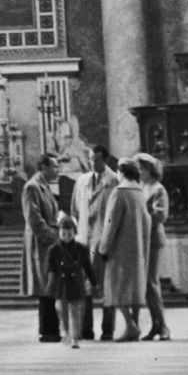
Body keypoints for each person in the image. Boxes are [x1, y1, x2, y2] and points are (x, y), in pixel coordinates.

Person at [98, 157, 151, 341]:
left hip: (119, 248)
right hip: (137, 248)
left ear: (120, 172)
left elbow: (111, 221)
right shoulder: (139, 192)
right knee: (134, 288)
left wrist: (104, 247)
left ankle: (130, 325)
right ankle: (133, 325)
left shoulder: (119, 192)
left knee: (115, 288)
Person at [71, 144, 119, 340]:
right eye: (90, 159)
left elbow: (115, 214)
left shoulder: (114, 181)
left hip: (104, 240)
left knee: (107, 285)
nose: (92, 163)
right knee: (85, 286)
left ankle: (108, 329)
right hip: (84, 239)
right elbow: (74, 209)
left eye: (97, 160)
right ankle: (86, 328)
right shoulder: (81, 181)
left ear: (105, 159)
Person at [21, 153, 61, 341]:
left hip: (50, 240)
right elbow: (34, 218)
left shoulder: (44, 185)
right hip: (42, 242)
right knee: (46, 285)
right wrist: (52, 239)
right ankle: (48, 331)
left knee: (50, 285)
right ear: (43, 168)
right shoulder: (32, 187)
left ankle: (51, 329)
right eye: (54, 166)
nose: (57, 170)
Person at [136, 152, 172, 340]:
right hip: (142, 239)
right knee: (147, 286)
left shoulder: (158, 189)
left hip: (153, 239)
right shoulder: (141, 186)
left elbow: (161, 215)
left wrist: (140, 218)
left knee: (151, 283)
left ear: (149, 170)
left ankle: (163, 325)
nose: (139, 171)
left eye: (141, 168)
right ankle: (156, 325)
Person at [47, 212, 94, 348]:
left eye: (69, 232)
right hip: (61, 284)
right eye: (63, 232)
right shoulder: (54, 250)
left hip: (75, 283)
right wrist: (50, 282)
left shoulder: (81, 249)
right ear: (59, 232)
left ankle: (74, 337)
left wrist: (93, 282)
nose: (66, 235)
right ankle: (65, 331)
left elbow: (88, 267)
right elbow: (51, 269)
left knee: (74, 310)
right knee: (60, 308)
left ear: (74, 232)